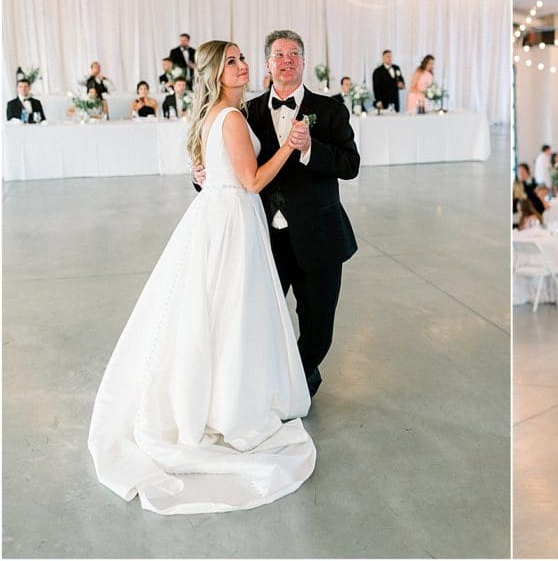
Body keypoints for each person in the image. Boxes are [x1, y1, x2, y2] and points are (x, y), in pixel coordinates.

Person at [88, 40, 315, 515]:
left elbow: (220, 171)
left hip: (219, 214)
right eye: (231, 61)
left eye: (242, 58)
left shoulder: (218, 115)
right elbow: (253, 181)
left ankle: (214, 393)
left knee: (215, 311)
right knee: (232, 311)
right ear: (215, 73)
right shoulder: (230, 118)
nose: (242, 65)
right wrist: (290, 148)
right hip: (233, 219)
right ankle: (229, 403)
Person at [196, 29, 359, 398]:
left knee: (318, 328)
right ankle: (272, 387)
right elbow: (229, 168)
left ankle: (296, 383)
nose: (287, 60)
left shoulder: (331, 110)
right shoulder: (244, 112)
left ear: (303, 62)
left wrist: (310, 148)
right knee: (257, 321)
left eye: (294, 54)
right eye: (279, 55)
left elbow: (351, 165)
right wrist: (200, 175)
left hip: (318, 237)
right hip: (261, 239)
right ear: (267, 65)